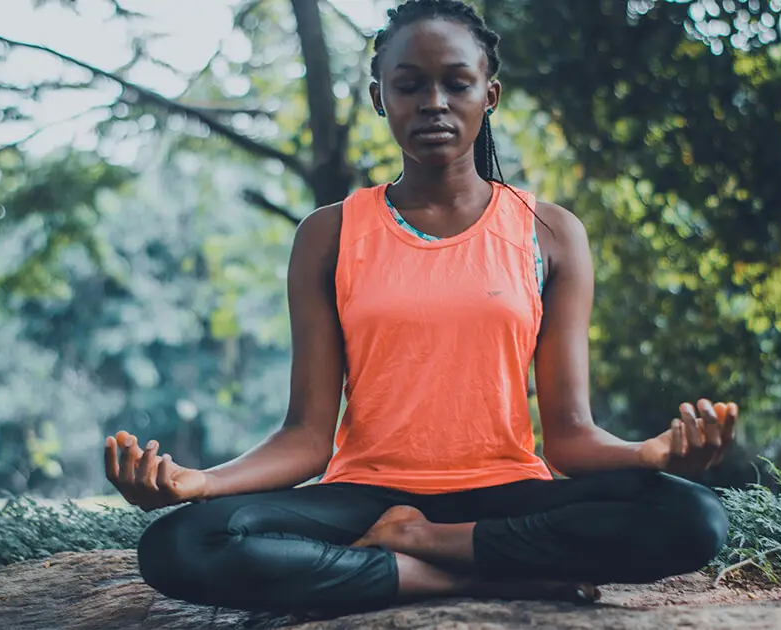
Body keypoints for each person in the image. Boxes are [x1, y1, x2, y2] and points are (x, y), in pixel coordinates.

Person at [104, 0, 738, 616]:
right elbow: (304, 437)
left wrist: (650, 455)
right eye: (409, 85)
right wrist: (200, 483)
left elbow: (570, 438)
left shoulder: (548, 231)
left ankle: (424, 547)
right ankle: (462, 580)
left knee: (692, 516)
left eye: (456, 83)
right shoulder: (330, 234)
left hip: (503, 494)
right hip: (364, 498)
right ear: (381, 97)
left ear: (488, 93)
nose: (433, 102)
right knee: (181, 544)